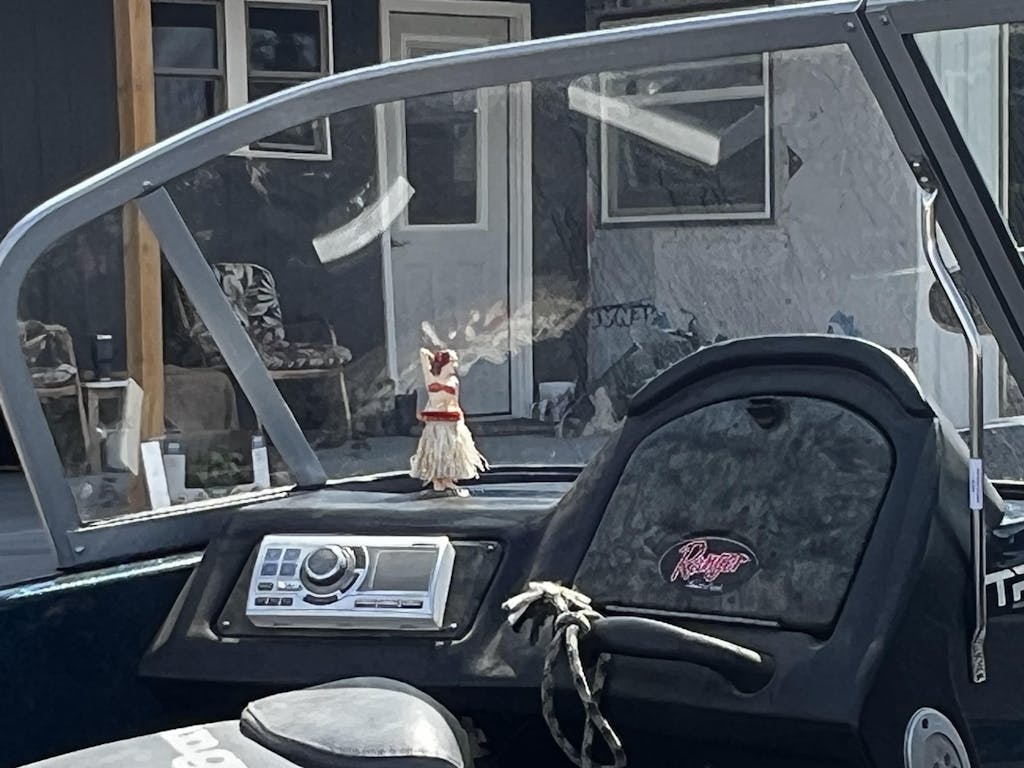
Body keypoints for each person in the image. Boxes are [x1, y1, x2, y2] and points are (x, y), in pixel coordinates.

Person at [409, 348, 488, 493]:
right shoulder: (430, 377)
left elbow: (455, 401)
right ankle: (436, 479)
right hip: (434, 420)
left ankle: (448, 479)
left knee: (450, 450)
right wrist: (434, 357)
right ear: (445, 363)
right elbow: (422, 352)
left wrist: (461, 420)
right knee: (435, 449)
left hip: (450, 418)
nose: (455, 364)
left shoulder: (454, 381)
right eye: (452, 361)